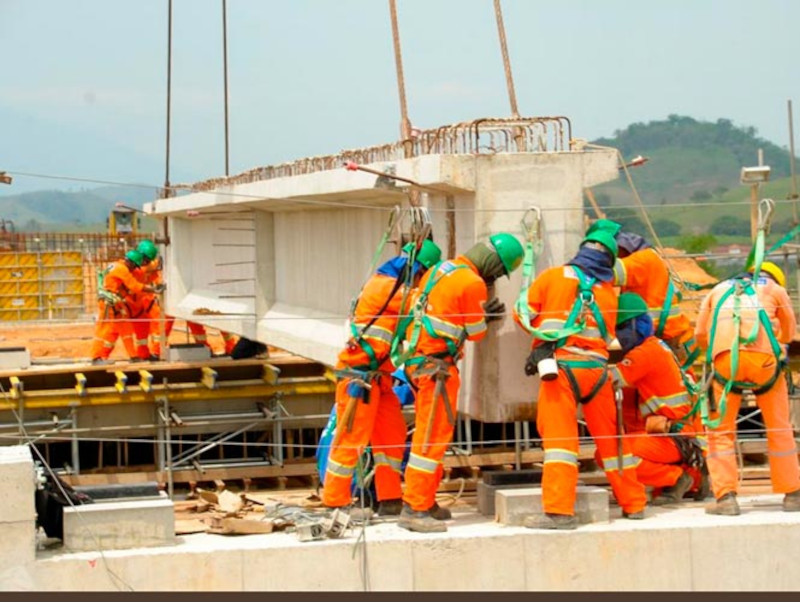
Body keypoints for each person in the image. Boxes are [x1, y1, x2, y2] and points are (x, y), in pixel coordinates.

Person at [513, 229, 647, 530]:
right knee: (612, 443)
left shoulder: (552, 277)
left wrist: (541, 340)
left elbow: (521, 314)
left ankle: (559, 511)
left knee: (561, 443)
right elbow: (609, 336)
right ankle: (634, 503)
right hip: (597, 372)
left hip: (560, 370)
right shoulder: (607, 291)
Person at [398, 233, 523, 533]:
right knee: (430, 438)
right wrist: (485, 317)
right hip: (438, 369)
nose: (495, 277)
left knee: (430, 436)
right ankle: (414, 507)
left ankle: (423, 501)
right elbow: (476, 333)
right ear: (493, 264)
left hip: (421, 363)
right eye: (498, 271)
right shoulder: (472, 283)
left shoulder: (441, 269)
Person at [322, 239, 442, 520]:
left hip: (379, 378)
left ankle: (390, 499)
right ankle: (335, 502)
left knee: (392, 437)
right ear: (420, 269)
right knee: (350, 439)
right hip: (359, 379)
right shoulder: (387, 285)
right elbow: (426, 304)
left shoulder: (394, 281)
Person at [695, 261, 800, 515]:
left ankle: (726, 498)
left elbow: (700, 335)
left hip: (725, 362)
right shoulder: (775, 290)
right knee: (779, 427)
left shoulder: (719, 289)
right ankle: (793, 494)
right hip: (764, 363)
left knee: (720, 431)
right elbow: (789, 334)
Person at [609, 292, 707, 505]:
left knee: (611, 452)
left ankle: (677, 479)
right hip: (682, 436)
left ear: (636, 325)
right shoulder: (658, 346)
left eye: (622, 329)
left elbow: (610, 381)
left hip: (676, 438)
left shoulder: (644, 354)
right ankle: (690, 476)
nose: (619, 336)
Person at [91, 249, 163, 364]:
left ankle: (133, 357)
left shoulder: (116, 265)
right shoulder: (122, 269)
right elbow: (134, 286)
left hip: (114, 302)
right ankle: (96, 357)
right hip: (109, 301)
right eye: (134, 266)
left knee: (125, 329)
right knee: (104, 329)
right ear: (131, 263)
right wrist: (153, 289)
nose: (134, 269)